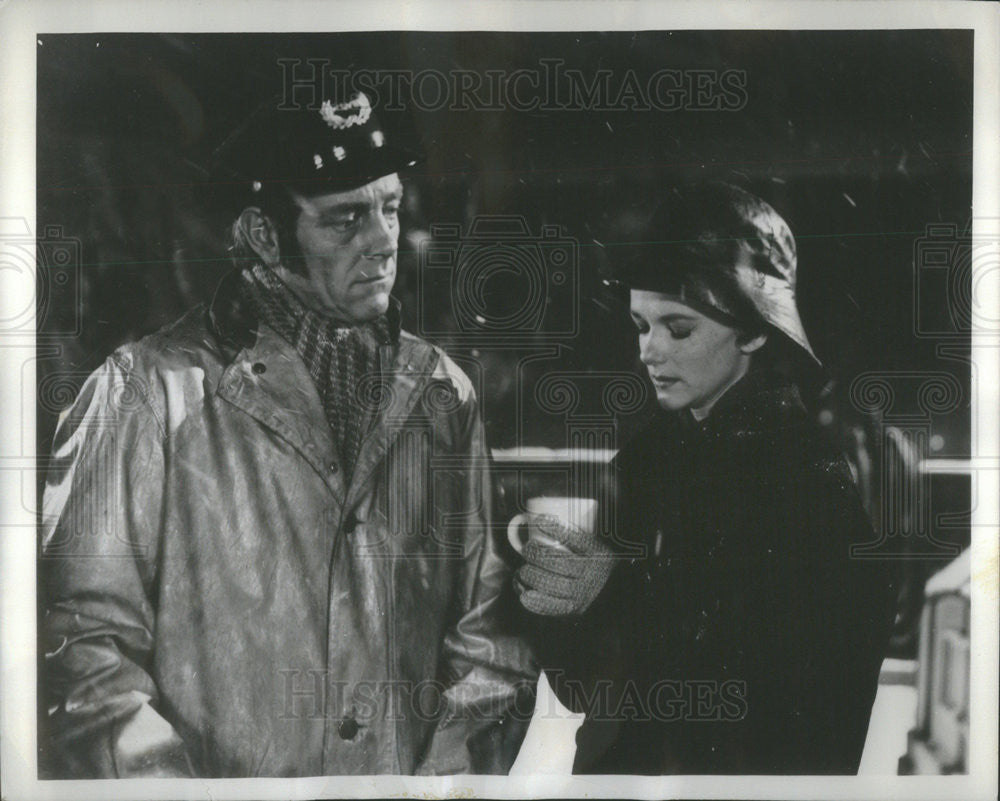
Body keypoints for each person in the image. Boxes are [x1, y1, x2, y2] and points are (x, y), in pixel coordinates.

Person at [41, 90, 535, 777]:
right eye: (345, 220)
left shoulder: (443, 392)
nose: (385, 239)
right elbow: (84, 652)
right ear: (264, 236)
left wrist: (440, 790)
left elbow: (489, 638)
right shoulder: (142, 395)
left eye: (390, 207)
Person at [513, 182, 897, 774]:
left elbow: (794, 713)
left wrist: (615, 595)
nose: (649, 351)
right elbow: (584, 694)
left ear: (754, 331)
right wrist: (556, 611)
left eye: (679, 329)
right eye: (641, 325)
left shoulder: (812, 482)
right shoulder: (645, 461)